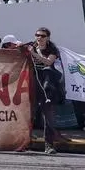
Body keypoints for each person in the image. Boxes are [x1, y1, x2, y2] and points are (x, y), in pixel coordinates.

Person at [27, 27, 64, 155]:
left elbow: (48, 62)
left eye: (42, 36)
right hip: (32, 83)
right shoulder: (30, 46)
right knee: (28, 114)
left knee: (48, 116)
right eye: (37, 35)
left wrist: (34, 54)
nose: (39, 38)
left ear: (48, 37)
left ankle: (49, 145)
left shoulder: (52, 50)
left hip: (47, 85)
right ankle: (24, 141)